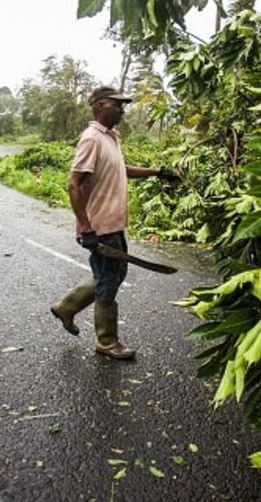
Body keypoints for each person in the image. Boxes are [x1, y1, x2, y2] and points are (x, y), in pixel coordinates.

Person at [50, 85, 179, 360]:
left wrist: (158, 172)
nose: (122, 109)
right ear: (99, 106)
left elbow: (122, 170)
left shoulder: (112, 138)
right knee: (109, 279)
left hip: (114, 223)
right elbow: (74, 184)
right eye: (116, 104)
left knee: (114, 274)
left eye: (123, 105)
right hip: (99, 227)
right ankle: (107, 342)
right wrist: (85, 227)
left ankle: (66, 306)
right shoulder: (91, 139)